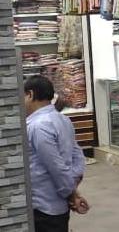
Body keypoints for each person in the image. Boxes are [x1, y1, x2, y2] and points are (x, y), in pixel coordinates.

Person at [25, 76, 88, 232]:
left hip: (44, 206)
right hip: (59, 203)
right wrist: (73, 189)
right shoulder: (63, 120)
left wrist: (71, 194)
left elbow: (56, 167)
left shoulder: (37, 126)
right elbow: (78, 156)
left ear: (30, 95)